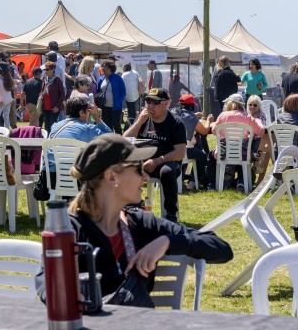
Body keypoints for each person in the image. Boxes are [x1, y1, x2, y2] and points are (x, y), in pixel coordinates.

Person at [34, 134, 233, 301]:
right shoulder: (71, 229)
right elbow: (47, 282)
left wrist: (167, 241)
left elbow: (222, 249)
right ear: (112, 177)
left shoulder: (142, 223)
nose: (145, 177)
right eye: (138, 169)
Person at [123, 88, 186, 222]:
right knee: (123, 169)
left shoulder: (176, 123)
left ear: (166, 103)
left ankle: (170, 214)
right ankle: (131, 210)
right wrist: (139, 121)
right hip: (141, 163)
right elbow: (125, 141)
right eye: (148, 101)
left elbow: (180, 152)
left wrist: (157, 161)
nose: (150, 105)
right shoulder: (142, 119)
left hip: (165, 163)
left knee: (167, 171)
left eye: (155, 102)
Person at [206, 94, 266, 190]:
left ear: (229, 104)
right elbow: (261, 132)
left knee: (210, 156)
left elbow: (214, 131)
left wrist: (214, 125)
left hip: (224, 153)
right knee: (246, 156)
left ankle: (211, 184)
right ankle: (242, 181)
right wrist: (258, 121)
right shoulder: (248, 117)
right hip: (243, 154)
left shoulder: (222, 116)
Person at [172, 94, 211, 190]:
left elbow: (184, 116)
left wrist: (194, 116)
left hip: (169, 149)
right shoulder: (191, 117)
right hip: (184, 150)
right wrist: (209, 121)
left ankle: (181, 178)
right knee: (203, 157)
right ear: (191, 106)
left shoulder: (171, 112)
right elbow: (204, 131)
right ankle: (193, 182)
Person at [246, 95, 272, 184]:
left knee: (256, 149)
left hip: (258, 139)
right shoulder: (246, 115)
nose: (252, 107)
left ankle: (253, 172)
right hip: (248, 139)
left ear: (259, 106)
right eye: (250, 105)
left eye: (255, 105)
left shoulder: (261, 115)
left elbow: (260, 130)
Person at [98, 61, 126, 134]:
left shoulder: (117, 78)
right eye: (102, 66)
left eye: (105, 66)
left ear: (110, 68)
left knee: (116, 125)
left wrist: (118, 101)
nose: (103, 68)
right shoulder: (101, 78)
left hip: (115, 107)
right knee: (107, 126)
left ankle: (120, 142)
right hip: (104, 107)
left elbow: (123, 91)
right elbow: (98, 90)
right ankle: (110, 142)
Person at [39, 61, 65, 134]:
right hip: (46, 106)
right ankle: (47, 140)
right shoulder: (44, 79)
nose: (45, 71)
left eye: (47, 69)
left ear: (53, 70)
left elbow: (62, 94)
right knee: (46, 125)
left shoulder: (57, 79)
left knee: (52, 125)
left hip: (54, 106)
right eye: (45, 69)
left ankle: (52, 140)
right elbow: (42, 90)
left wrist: (57, 106)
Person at [0, 62, 15, 128]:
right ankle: (7, 132)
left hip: (0, 101)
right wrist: (14, 98)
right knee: (6, 118)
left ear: (0, 69)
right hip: (8, 101)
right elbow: (15, 88)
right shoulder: (9, 78)